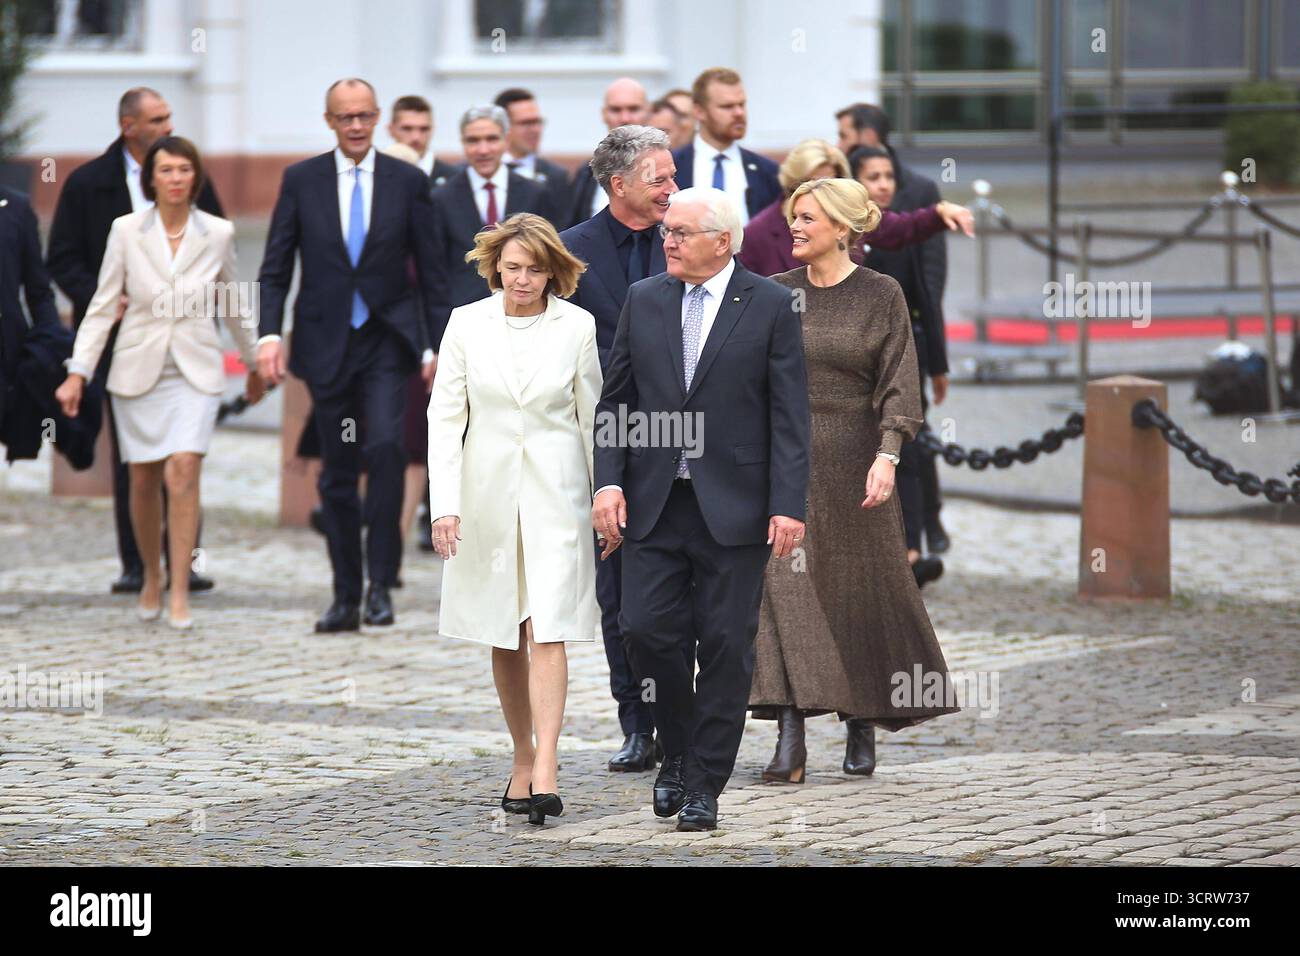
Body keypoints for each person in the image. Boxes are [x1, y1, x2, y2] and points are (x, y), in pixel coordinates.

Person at [592, 187, 811, 831]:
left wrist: (787, 505)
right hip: (654, 503)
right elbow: (616, 404)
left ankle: (704, 782)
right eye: (667, 231)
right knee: (644, 630)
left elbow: (788, 414)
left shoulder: (770, 303)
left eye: (683, 232)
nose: (669, 241)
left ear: (723, 241)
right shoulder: (645, 298)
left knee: (723, 643)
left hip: (735, 507)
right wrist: (608, 484)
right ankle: (679, 752)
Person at [749, 177, 959, 785]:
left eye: (808, 218)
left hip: (858, 465)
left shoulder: (881, 293)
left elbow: (900, 382)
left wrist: (888, 454)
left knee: (859, 592)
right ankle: (790, 740)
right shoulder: (773, 293)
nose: (795, 228)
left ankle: (861, 719)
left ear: (842, 228)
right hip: (785, 465)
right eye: (794, 217)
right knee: (783, 594)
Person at [427, 213, 600, 826]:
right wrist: (444, 506)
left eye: (534, 268)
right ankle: (521, 753)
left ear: (554, 270)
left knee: (548, 625)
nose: (522, 279)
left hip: (558, 498)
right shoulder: (465, 324)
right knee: (504, 629)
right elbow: (445, 419)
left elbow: (591, 420)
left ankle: (547, 765)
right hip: (486, 497)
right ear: (494, 266)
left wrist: (604, 495)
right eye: (512, 267)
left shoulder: (577, 327)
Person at [54, 137, 264, 629]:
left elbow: (233, 303)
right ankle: (151, 573)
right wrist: (77, 372)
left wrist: (254, 363)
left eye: (183, 169)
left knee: (184, 470)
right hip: (137, 368)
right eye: (165, 170)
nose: (174, 178)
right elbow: (103, 305)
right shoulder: (126, 231)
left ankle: (181, 589)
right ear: (151, 178)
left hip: (195, 369)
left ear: (195, 177)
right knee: (144, 479)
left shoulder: (217, 232)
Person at [256, 78, 441, 633]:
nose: (356, 126)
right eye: (346, 117)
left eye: (364, 116)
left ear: (378, 118)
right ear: (329, 121)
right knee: (338, 470)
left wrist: (436, 344)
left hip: (388, 341)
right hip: (327, 342)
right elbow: (275, 265)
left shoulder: (406, 181)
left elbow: (432, 271)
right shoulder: (301, 180)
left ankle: (381, 584)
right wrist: (268, 335)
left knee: (385, 448)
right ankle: (344, 593)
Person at [45, 86, 224, 596]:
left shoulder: (191, 174)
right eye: (158, 118)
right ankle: (138, 565)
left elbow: (218, 244)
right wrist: (106, 297)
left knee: (185, 457)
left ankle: (184, 563)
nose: (168, 126)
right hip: (119, 339)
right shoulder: (87, 184)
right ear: (129, 126)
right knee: (138, 459)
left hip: (185, 340)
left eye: (169, 117)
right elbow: (62, 257)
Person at [560, 125, 678, 773]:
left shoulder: (686, 241)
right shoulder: (570, 252)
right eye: (659, 177)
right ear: (619, 185)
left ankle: (679, 719)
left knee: (678, 595)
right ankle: (636, 723)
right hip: (605, 443)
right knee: (620, 598)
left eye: (672, 175)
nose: (672, 188)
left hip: (686, 442)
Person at [840, 102, 952, 555]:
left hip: (908, 342)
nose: (884, 185)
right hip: (855, 352)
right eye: (875, 178)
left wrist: (938, 360)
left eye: (845, 134)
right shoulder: (845, 215)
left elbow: (930, 286)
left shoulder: (915, 197)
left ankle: (918, 538)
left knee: (908, 441)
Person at [738, 139, 975, 277]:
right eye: (813, 184)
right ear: (793, 183)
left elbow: (900, 228)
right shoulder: (758, 234)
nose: (823, 193)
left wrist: (940, 212)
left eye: (832, 183)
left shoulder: (847, 215)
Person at [430, 106, 554, 334]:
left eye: (491, 139)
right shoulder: (441, 198)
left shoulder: (535, 193)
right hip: (464, 323)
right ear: (463, 144)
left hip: (526, 320)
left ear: (506, 140)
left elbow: (547, 259)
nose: (483, 149)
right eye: (473, 141)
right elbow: (434, 273)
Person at [670, 68, 780, 224]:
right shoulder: (672, 167)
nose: (739, 113)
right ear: (699, 111)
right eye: (727, 106)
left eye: (741, 105)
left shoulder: (768, 172)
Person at [566, 77, 649, 228]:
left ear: (648, 111)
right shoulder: (586, 173)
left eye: (633, 109)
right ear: (604, 114)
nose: (625, 118)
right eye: (616, 110)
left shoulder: (670, 169)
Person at [493, 88, 571, 225]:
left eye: (537, 122)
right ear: (502, 127)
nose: (535, 130)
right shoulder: (475, 172)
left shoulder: (556, 177)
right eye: (526, 123)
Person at [387, 94, 461, 189]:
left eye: (424, 129)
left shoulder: (454, 180)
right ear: (391, 130)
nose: (416, 137)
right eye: (407, 129)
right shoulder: (374, 176)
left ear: (432, 130)